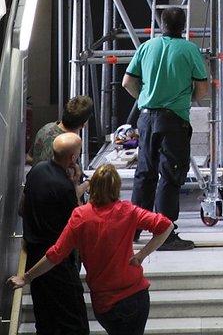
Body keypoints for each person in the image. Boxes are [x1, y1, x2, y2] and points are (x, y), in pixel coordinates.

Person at [9, 163, 173, 335]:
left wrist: (26, 277)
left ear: (92, 187)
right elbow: (166, 226)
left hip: (104, 303)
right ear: (116, 188)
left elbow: (55, 254)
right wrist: (141, 255)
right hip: (135, 296)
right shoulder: (127, 211)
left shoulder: (81, 216)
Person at [122, 6, 208, 251]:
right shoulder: (189, 50)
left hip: (146, 118)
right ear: (183, 26)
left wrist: (144, 99)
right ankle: (164, 235)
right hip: (173, 121)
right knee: (170, 176)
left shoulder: (146, 47)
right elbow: (202, 89)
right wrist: (185, 99)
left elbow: (127, 82)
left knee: (144, 174)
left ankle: (134, 229)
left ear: (162, 25)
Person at [16, 132, 90, 334]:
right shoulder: (65, 187)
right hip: (56, 261)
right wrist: (75, 185)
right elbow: (77, 223)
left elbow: (22, 208)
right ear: (73, 158)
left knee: (45, 320)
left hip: (34, 256)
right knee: (74, 323)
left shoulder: (37, 170)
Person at [30, 94, 93, 166]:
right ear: (84, 124)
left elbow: (29, 157)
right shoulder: (69, 145)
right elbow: (74, 172)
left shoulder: (45, 129)